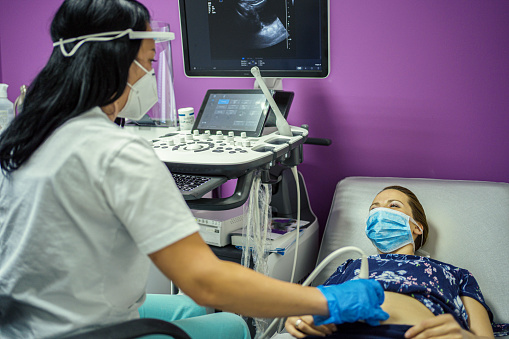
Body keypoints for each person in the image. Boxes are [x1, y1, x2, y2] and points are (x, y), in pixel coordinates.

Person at [0, 1, 389, 338]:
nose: (151, 77)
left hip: (23, 320)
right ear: (118, 61)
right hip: (80, 331)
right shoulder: (116, 152)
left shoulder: (22, 137)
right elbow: (206, 281)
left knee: (190, 308)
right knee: (234, 326)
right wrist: (326, 298)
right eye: (150, 63)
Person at [285, 186, 497, 339]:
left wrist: (464, 336)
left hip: (416, 333)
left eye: (393, 206)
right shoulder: (350, 265)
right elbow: (312, 307)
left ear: (417, 227)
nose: (380, 212)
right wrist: (299, 319)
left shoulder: (455, 274)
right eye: (373, 209)